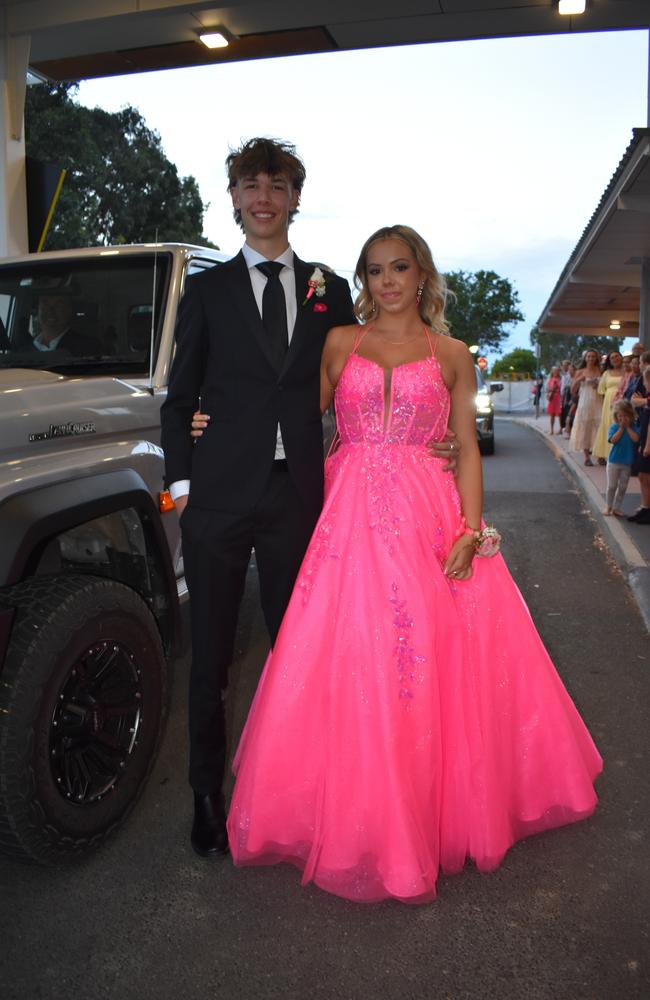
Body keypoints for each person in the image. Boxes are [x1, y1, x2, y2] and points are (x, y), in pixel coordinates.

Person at [226, 225, 602, 904]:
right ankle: (360, 812)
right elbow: (293, 417)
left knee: (429, 654)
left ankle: (430, 808)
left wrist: (470, 527)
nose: (387, 280)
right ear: (364, 280)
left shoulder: (454, 354)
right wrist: (212, 420)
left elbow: (464, 440)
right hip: (349, 522)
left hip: (428, 516)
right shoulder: (340, 343)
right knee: (349, 654)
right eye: (374, 270)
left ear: (422, 275)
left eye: (399, 267)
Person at [160, 140, 459, 859]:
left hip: (305, 499)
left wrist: (434, 436)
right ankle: (207, 793)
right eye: (250, 185)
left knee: (308, 650)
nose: (264, 196)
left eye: (279, 185)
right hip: (219, 501)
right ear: (232, 198)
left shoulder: (327, 289)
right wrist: (186, 484)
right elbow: (179, 400)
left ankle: (308, 788)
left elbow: (376, 363)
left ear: (296, 197)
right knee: (211, 656)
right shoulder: (206, 291)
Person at [31, 293, 98, 355]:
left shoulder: (88, 347)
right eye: (45, 303)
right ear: (37, 309)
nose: (50, 310)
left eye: (58, 304)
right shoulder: (24, 350)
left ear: (69, 310)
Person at [604, 399, 639, 517]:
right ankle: (608, 505)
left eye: (625, 415)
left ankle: (617, 507)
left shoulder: (633, 427)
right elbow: (613, 440)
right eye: (620, 415)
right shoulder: (614, 427)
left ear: (630, 415)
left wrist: (628, 427)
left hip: (627, 462)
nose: (622, 418)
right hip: (613, 461)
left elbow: (636, 439)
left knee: (623, 486)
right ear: (616, 416)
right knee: (612, 486)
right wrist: (621, 428)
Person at [569, 350, 602, 465]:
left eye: (593, 356)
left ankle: (599, 454)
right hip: (585, 402)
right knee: (585, 429)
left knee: (600, 427)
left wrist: (598, 385)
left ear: (596, 358)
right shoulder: (580, 371)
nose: (591, 358)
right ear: (585, 358)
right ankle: (587, 457)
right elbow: (573, 391)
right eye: (589, 356)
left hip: (598, 401)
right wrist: (578, 380)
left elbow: (604, 387)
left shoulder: (600, 370)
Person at [591, 351, 624, 464]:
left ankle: (619, 454)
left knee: (620, 425)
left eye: (617, 356)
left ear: (621, 357)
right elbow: (601, 390)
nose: (615, 359)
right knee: (608, 425)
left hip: (623, 400)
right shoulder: (606, 373)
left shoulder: (626, 371)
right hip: (609, 401)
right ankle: (603, 454)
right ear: (609, 361)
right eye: (612, 358)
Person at [628, 366, 650, 524]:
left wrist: (647, 445)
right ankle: (645, 507)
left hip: (648, 441)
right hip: (644, 438)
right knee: (642, 475)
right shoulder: (648, 398)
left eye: (645, 380)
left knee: (646, 476)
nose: (644, 384)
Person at [545, 365, 562, 434]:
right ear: (552, 371)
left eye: (557, 371)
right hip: (552, 398)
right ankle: (551, 430)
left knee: (560, 414)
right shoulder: (550, 379)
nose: (555, 372)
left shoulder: (561, 379)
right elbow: (547, 388)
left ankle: (560, 429)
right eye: (554, 370)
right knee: (552, 414)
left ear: (558, 372)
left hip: (559, 397)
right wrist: (549, 392)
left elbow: (562, 388)